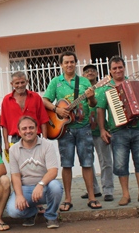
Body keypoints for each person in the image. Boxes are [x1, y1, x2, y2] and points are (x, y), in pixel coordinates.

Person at [43, 51, 102, 211]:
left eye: (72, 62)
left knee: (87, 163)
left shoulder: (84, 82)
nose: (69, 65)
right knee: (66, 164)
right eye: (66, 62)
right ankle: (68, 199)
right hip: (65, 130)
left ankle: (92, 197)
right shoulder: (56, 82)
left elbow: (93, 104)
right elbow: (45, 100)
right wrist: (57, 110)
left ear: (76, 63)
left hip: (83, 128)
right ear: (61, 65)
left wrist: (90, 97)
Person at [97, 56, 139, 206]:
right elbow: (100, 110)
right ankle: (125, 195)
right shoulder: (106, 88)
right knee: (121, 164)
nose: (118, 70)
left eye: (120, 67)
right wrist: (102, 129)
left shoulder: (136, 84)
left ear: (124, 68)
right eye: (114, 68)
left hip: (138, 128)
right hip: (118, 130)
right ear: (110, 70)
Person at [6, 116, 63, 229]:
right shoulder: (13, 150)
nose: (28, 131)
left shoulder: (47, 145)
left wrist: (40, 184)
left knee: (56, 186)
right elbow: (15, 176)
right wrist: (19, 195)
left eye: (31, 128)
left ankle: (51, 216)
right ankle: (32, 212)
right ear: (19, 131)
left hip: (45, 188)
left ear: (37, 129)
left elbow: (53, 171)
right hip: (26, 188)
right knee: (13, 211)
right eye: (24, 128)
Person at [82, 64, 114, 202]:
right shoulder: (80, 89)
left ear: (97, 73)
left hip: (101, 130)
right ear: (83, 75)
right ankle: (94, 189)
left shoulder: (104, 87)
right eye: (87, 71)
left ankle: (108, 190)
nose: (90, 73)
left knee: (105, 161)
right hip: (83, 130)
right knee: (87, 162)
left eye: (92, 71)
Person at [0, 71, 49, 149]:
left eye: (22, 82)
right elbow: (4, 124)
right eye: (17, 83)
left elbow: (43, 120)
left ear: (27, 82)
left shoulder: (36, 97)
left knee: (37, 161)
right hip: (16, 139)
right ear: (12, 84)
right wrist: (6, 142)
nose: (20, 85)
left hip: (35, 137)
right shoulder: (6, 100)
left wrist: (45, 140)